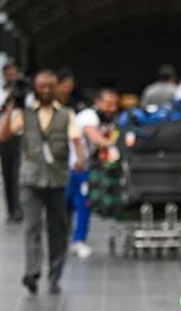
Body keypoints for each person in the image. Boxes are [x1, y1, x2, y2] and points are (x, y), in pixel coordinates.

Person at [0, 70, 86, 294]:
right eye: (41, 86)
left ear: (56, 88)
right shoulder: (24, 114)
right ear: (35, 88)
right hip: (31, 178)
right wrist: (11, 107)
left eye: (50, 86)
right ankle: (32, 271)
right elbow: (3, 135)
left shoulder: (66, 114)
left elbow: (75, 138)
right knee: (32, 227)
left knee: (58, 228)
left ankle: (55, 274)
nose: (46, 91)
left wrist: (80, 157)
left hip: (57, 178)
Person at [66, 88, 120, 259]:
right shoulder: (89, 116)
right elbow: (95, 138)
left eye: (115, 104)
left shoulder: (107, 120)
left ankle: (75, 240)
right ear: (98, 102)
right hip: (75, 167)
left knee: (80, 204)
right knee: (76, 204)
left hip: (85, 167)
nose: (112, 108)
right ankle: (75, 241)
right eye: (108, 104)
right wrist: (114, 145)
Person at [0, 63, 23, 222]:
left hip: (21, 134)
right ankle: (11, 209)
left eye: (13, 74)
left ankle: (19, 208)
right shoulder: (2, 93)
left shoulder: (24, 93)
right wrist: (8, 102)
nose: (11, 77)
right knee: (8, 173)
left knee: (17, 172)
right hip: (4, 135)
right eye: (8, 74)